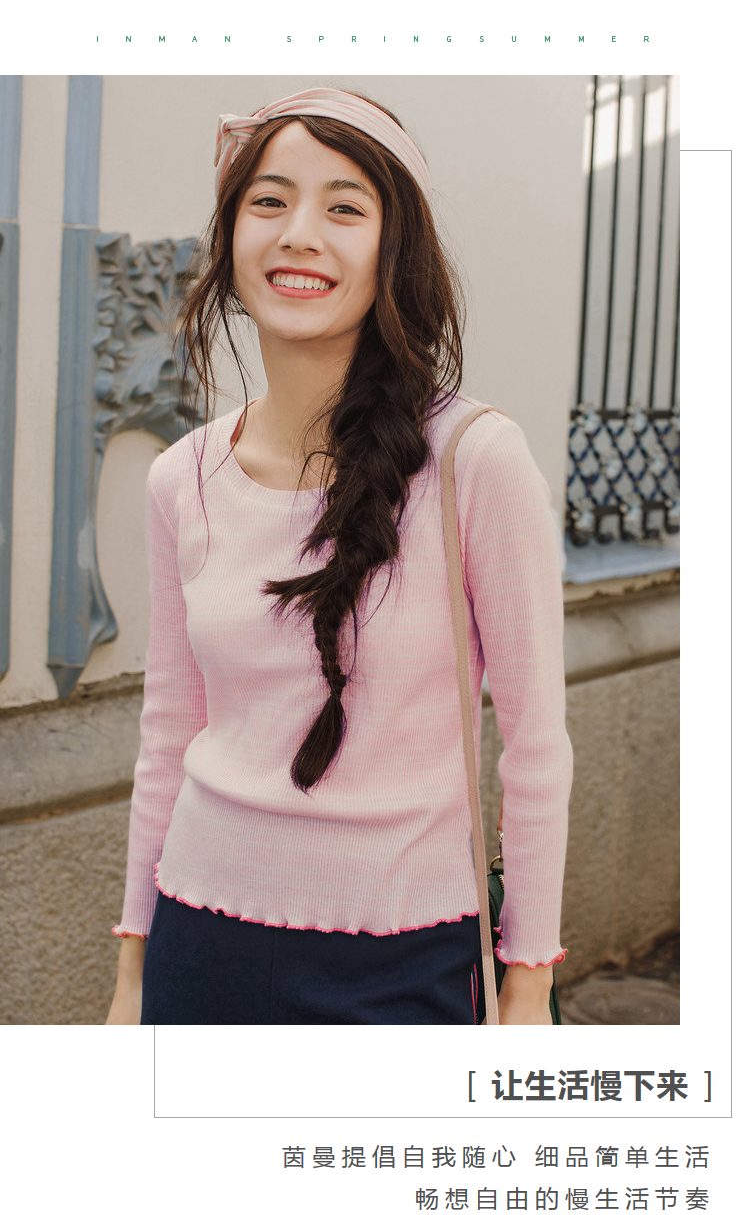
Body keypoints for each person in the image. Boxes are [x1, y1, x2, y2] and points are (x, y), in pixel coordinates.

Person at [105, 86, 573, 1026]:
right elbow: (168, 736)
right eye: (268, 201)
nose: (299, 234)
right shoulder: (182, 477)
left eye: (345, 207)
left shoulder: (475, 460)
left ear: (395, 250)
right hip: (198, 939)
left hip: (404, 955)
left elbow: (535, 744)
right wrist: (131, 970)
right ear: (231, 235)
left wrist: (527, 979)